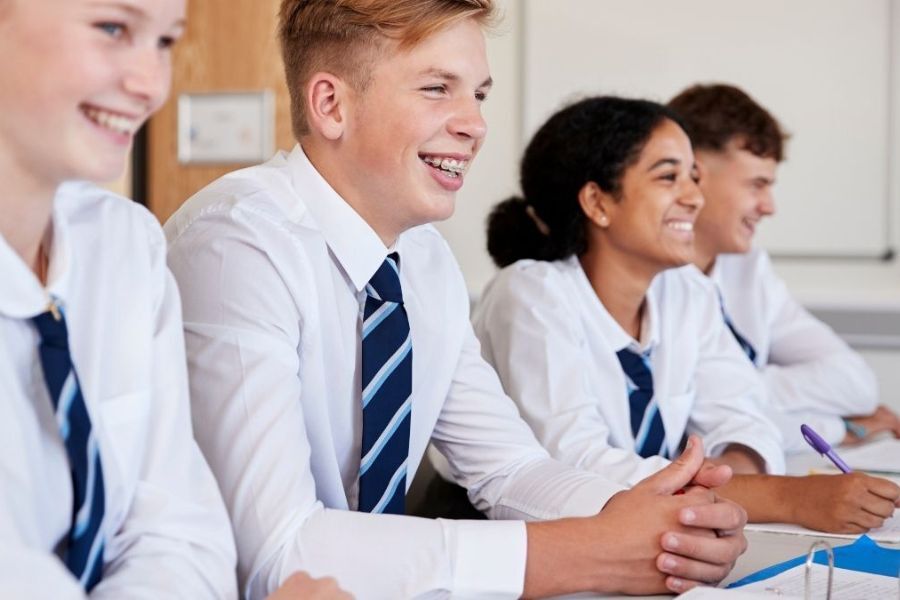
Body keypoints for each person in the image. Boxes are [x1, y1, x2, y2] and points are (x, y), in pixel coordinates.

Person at [164, 1, 750, 598]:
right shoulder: (236, 244)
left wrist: (665, 522)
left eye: (480, 95)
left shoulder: (424, 261)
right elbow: (280, 552)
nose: (474, 124)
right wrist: (583, 552)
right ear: (331, 105)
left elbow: (508, 467)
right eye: (438, 88)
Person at [0, 0, 348, 598]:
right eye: (112, 28)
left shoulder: (124, 247)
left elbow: (182, 539)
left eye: (164, 42)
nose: (150, 85)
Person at [474, 96, 900, 536]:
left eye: (694, 177)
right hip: (534, 545)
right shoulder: (531, 294)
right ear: (598, 202)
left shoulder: (685, 291)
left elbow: (744, 416)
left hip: (660, 531)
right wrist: (780, 497)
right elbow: (574, 466)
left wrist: (719, 485)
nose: (695, 197)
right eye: (669, 177)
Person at [668, 83, 900, 452]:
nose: (769, 206)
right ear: (693, 174)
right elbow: (691, 427)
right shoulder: (648, 278)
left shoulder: (748, 267)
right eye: (756, 185)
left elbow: (856, 383)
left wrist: (740, 388)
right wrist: (840, 429)